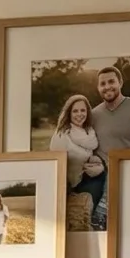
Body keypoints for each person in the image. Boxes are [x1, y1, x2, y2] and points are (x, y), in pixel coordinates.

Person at [49, 94, 106, 225]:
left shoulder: (89, 132)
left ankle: (94, 218)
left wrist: (96, 162)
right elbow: (55, 165)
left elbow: (86, 156)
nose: (79, 114)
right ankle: (88, 218)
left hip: (84, 178)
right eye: (75, 111)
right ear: (68, 113)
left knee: (104, 173)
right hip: (68, 184)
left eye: (83, 110)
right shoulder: (62, 135)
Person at [89, 65, 130, 153]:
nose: (107, 87)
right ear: (98, 88)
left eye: (111, 82)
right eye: (102, 84)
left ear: (120, 83)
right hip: (103, 167)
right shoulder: (93, 115)